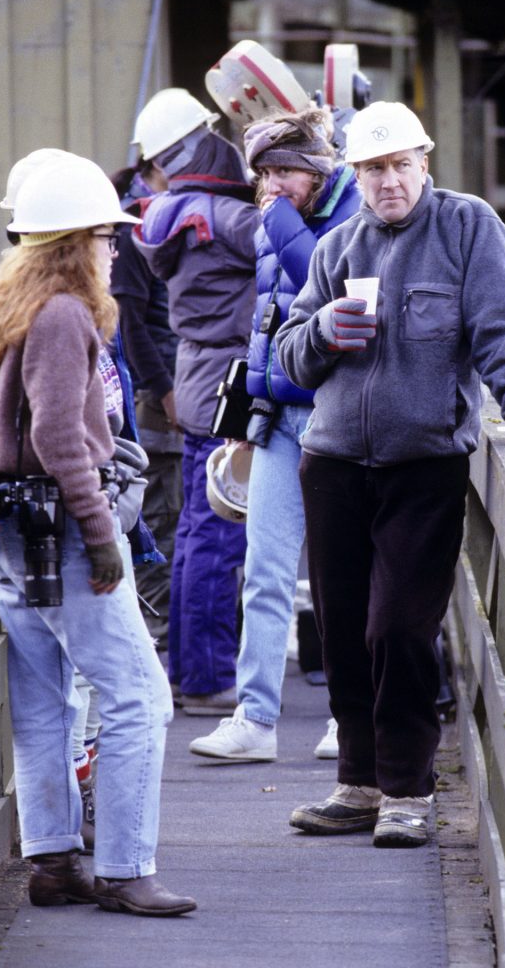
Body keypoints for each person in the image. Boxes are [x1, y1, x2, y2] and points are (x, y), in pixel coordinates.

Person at [275, 100, 505, 847]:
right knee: (343, 632)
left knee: (399, 628)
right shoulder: (338, 245)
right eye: (372, 170)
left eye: (398, 166)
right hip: (330, 463)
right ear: (353, 176)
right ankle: (356, 783)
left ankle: (407, 790)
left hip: (422, 463)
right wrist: (323, 331)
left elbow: (499, 329)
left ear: (424, 164)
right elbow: (290, 352)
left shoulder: (467, 226)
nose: (387, 181)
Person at [0, 154, 196, 914]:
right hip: (60, 530)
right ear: (75, 243)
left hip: (8, 523)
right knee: (138, 696)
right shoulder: (64, 313)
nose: (115, 249)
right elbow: (62, 437)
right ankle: (127, 871)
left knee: (42, 701)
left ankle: (55, 864)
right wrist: (101, 539)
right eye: (105, 236)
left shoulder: (10, 303)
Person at [189, 107, 360, 762]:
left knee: (339, 574)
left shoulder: (352, 215)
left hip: (340, 416)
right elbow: (262, 327)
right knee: (263, 570)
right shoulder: (273, 220)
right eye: (262, 174)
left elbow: (333, 283)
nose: (269, 186)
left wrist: (283, 224)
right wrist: (247, 421)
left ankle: (347, 720)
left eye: (281, 172)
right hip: (280, 417)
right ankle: (253, 719)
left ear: (314, 168)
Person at [134, 88, 259, 715]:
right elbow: (302, 250)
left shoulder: (169, 213)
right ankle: (209, 680)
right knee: (219, 531)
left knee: (193, 529)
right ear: (199, 142)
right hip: (230, 382)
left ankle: (191, 673)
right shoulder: (223, 216)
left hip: (196, 375)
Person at [110, 150, 183, 648]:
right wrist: (166, 389)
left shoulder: (158, 217)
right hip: (153, 397)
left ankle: (161, 640)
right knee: (158, 515)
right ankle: (157, 640)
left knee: (166, 513)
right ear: (155, 165)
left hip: (159, 391)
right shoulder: (132, 228)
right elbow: (130, 326)